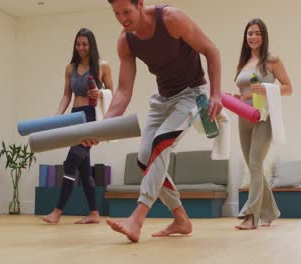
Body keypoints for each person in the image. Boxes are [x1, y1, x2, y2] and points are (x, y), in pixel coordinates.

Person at [85, 0, 222, 242]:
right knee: (144, 159)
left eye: (126, 12)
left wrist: (215, 94)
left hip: (193, 93)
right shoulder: (125, 41)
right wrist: (101, 127)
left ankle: (137, 219)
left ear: (140, 4)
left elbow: (211, 51)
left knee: (160, 144)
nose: (122, 19)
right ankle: (181, 218)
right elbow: (124, 91)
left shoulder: (171, 19)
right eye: (116, 14)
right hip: (163, 99)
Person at [41, 28, 114, 224]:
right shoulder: (70, 68)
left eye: (85, 44)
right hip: (74, 117)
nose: (81, 48)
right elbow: (67, 95)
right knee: (83, 168)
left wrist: (100, 94)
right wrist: (57, 117)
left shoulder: (102, 66)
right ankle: (94, 213)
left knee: (71, 161)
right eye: (78, 44)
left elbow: (112, 93)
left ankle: (57, 211)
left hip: (90, 118)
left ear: (91, 45)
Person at [233, 18, 292, 230]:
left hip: (263, 117)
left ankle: (251, 216)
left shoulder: (272, 60)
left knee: (255, 164)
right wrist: (237, 99)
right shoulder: (243, 62)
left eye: (257, 33)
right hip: (243, 116)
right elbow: (245, 92)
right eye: (250, 33)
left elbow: (288, 87)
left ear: (264, 36)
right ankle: (271, 211)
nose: (253, 37)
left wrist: (267, 88)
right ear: (246, 36)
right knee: (252, 165)